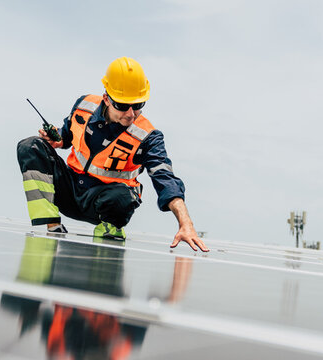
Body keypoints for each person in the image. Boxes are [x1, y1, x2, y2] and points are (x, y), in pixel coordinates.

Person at [17, 56, 208, 252]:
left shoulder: (149, 137)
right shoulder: (84, 105)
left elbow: (166, 179)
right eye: (123, 106)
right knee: (30, 146)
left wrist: (186, 223)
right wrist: (58, 140)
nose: (131, 114)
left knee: (122, 197)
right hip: (69, 191)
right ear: (107, 98)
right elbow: (67, 135)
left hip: (106, 205)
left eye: (139, 105)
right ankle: (51, 224)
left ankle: (109, 232)